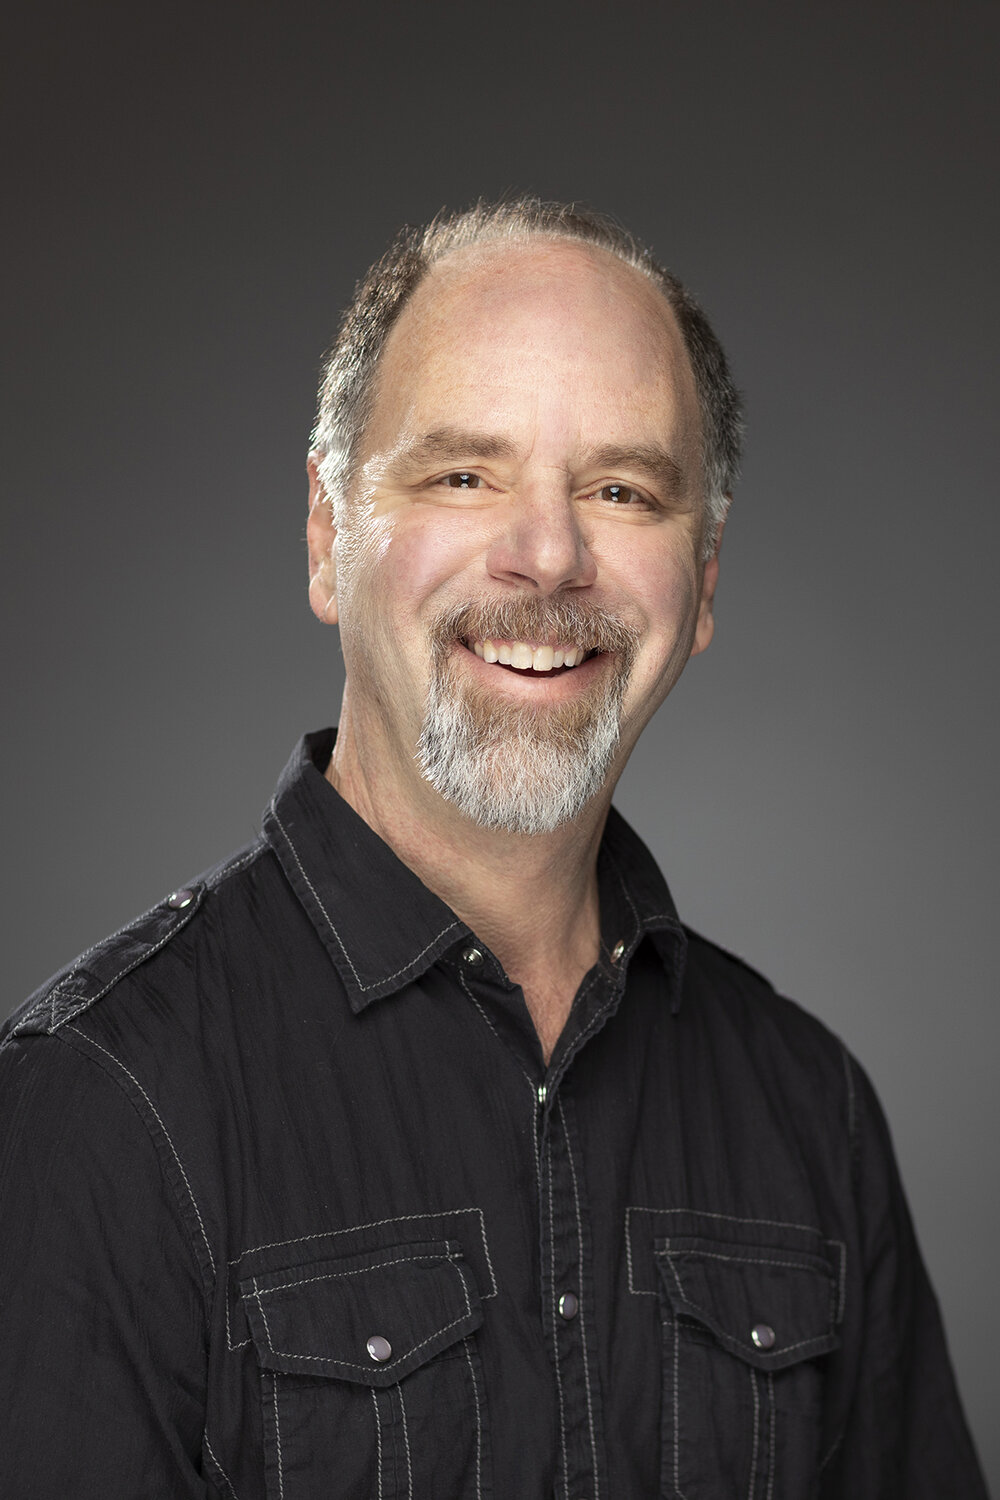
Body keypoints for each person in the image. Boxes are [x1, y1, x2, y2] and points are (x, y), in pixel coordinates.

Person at [0, 198, 986, 1500]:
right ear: (326, 532)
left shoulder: (813, 1113)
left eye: (622, 489)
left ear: (704, 580)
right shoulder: (101, 1106)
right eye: (464, 473)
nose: (549, 556)